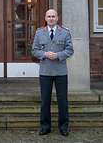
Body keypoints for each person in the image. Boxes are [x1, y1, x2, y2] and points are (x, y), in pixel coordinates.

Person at [32, 9, 74, 137]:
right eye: (49, 16)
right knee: (45, 101)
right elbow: (34, 50)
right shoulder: (39, 33)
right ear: (45, 18)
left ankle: (64, 126)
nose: (51, 18)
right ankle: (45, 126)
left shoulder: (65, 32)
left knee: (63, 101)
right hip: (45, 72)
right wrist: (44, 54)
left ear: (57, 18)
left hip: (60, 72)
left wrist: (57, 55)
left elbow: (70, 50)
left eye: (53, 16)